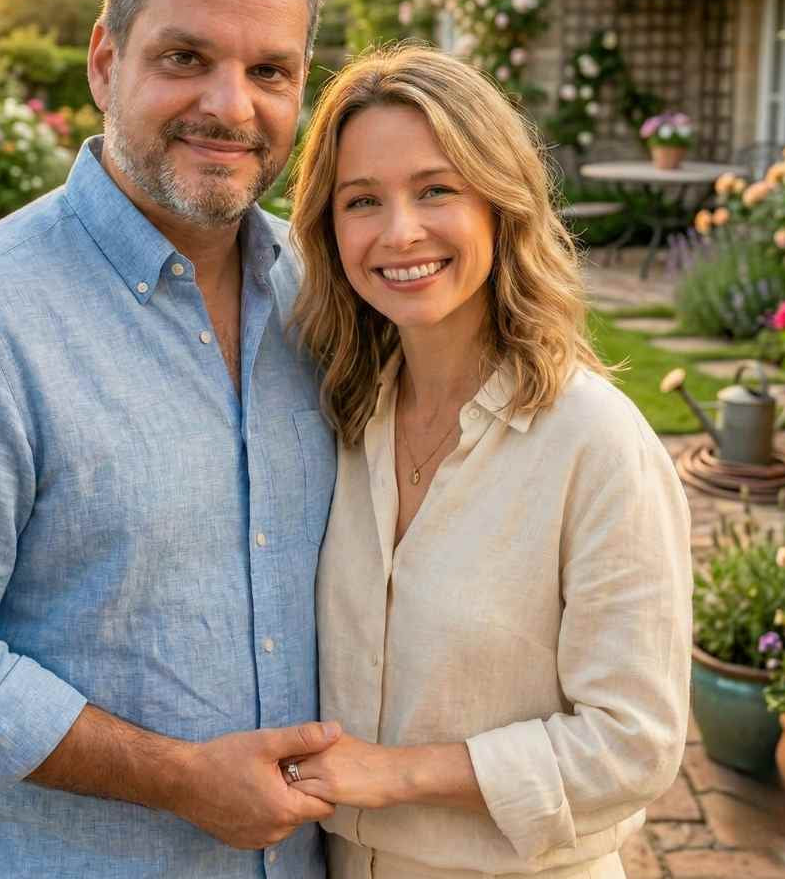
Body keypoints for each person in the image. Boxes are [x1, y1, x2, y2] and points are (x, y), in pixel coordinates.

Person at [0, 0, 341, 878]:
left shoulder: (322, 298)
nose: (231, 107)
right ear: (107, 61)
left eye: (270, 71)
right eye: (186, 57)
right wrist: (180, 778)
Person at [285, 46, 692, 879]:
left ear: (500, 204)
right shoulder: (345, 418)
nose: (400, 232)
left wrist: (396, 774)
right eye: (362, 200)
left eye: (436, 189)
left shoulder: (595, 443)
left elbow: (635, 743)